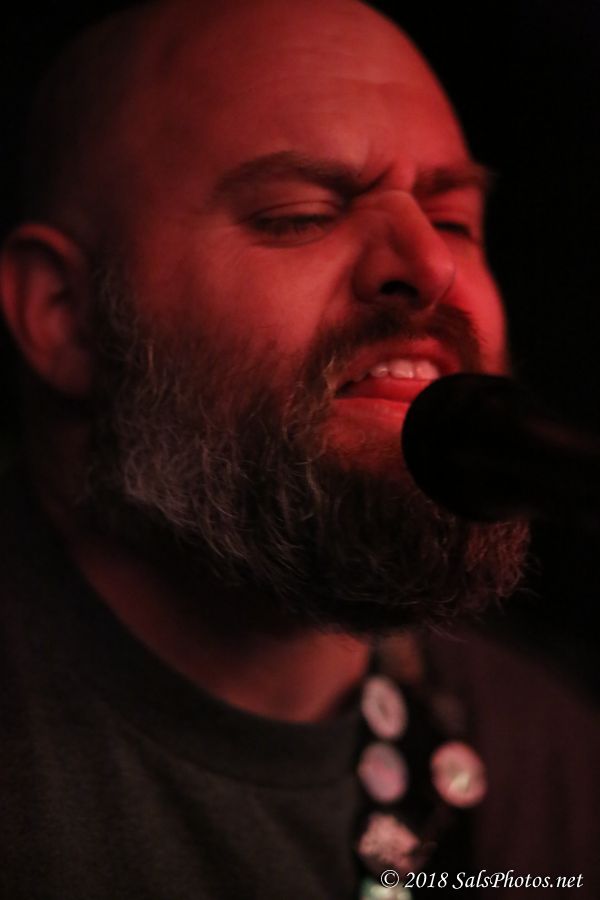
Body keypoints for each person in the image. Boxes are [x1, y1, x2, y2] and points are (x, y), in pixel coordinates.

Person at [0, 1, 598, 897]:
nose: (429, 265)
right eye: (299, 214)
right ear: (65, 317)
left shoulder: (554, 759)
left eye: (454, 220)